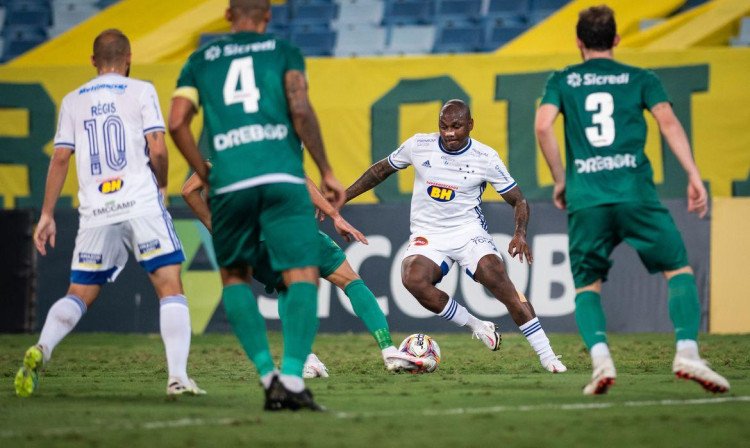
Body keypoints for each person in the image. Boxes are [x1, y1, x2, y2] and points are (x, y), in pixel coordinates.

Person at [535, 5, 730, 395]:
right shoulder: (642, 78)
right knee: (678, 269)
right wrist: (693, 174)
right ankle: (688, 351)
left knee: (588, 285)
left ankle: (602, 360)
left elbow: (543, 126)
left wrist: (561, 181)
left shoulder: (563, 79)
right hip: (636, 195)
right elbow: (668, 123)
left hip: (587, 199)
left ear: (578, 42)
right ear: (617, 40)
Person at [169, 0, 346, 411]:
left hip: (231, 181)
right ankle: (293, 377)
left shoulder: (200, 60)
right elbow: (300, 110)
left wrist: (203, 169)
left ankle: (268, 377)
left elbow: (177, 121)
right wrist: (327, 170)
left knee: (235, 277)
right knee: (302, 275)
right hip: (282, 177)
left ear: (228, 17)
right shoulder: (284, 52)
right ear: (268, 16)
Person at [14, 29, 203, 398]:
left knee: (80, 291)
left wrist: (48, 214)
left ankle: (42, 348)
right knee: (169, 287)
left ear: (92, 61)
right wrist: (161, 185)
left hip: (96, 208)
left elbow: (59, 158)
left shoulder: (72, 100)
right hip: (139, 199)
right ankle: (177, 377)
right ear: (128, 58)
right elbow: (158, 147)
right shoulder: (141, 90)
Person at [345, 99, 566, 374]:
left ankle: (548, 357)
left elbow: (518, 200)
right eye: (444, 126)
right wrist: (343, 196)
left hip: (468, 232)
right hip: (429, 234)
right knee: (412, 279)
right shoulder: (419, 145)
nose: (449, 133)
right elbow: (381, 170)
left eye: (456, 126)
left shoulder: (485, 158)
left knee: (496, 277)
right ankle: (477, 325)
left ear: (470, 125)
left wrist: (520, 233)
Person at [181, 171, 433, 376]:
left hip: (248, 245)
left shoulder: (219, 156)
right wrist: (334, 214)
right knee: (350, 281)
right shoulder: (266, 144)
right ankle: (388, 348)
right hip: (289, 230)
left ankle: (306, 359)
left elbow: (188, 190)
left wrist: (216, 228)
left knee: (285, 287)